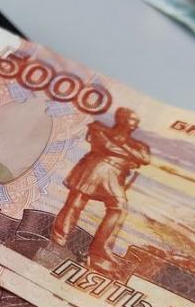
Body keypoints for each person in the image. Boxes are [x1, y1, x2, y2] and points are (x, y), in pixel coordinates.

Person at [50, 107, 150, 265]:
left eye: (136, 122)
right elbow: (104, 146)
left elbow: (144, 158)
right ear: (121, 119)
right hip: (96, 168)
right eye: (132, 120)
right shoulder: (98, 128)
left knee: (119, 207)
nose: (135, 125)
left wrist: (121, 147)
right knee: (75, 203)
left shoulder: (138, 144)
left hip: (116, 175)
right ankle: (58, 239)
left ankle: (100, 249)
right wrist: (129, 154)